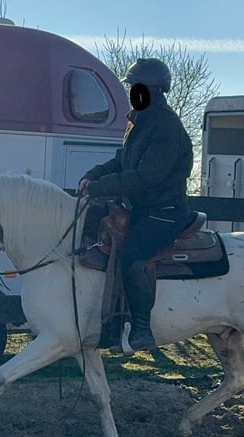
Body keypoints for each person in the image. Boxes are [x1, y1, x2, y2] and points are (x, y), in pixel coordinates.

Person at [77, 57, 193, 353]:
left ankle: (142, 329)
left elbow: (145, 177)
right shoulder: (139, 122)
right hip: (144, 209)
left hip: (165, 213)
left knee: (132, 255)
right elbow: (121, 160)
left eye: (138, 87)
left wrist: (101, 187)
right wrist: (94, 174)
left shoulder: (167, 127)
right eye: (132, 87)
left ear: (155, 90)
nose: (133, 92)